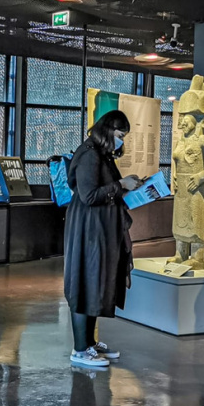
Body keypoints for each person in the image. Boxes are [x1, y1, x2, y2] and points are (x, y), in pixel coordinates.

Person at [63, 110, 142, 368]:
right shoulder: (89, 154)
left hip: (100, 228)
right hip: (89, 230)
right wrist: (121, 185)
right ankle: (79, 350)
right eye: (120, 135)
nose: (121, 141)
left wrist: (126, 187)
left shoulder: (101, 153)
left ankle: (88, 343)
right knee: (84, 283)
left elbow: (104, 190)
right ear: (108, 130)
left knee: (95, 283)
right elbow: (89, 195)